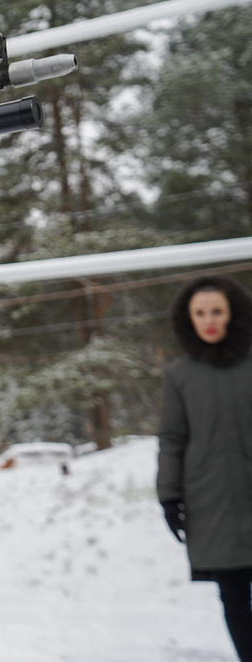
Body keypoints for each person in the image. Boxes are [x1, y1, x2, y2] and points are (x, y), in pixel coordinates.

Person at [157, 274, 252, 662]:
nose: (208, 320)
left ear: (233, 313)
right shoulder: (179, 376)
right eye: (200, 313)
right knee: (232, 592)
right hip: (210, 504)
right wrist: (168, 495)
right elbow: (172, 439)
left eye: (216, 311)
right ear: (188, 318)